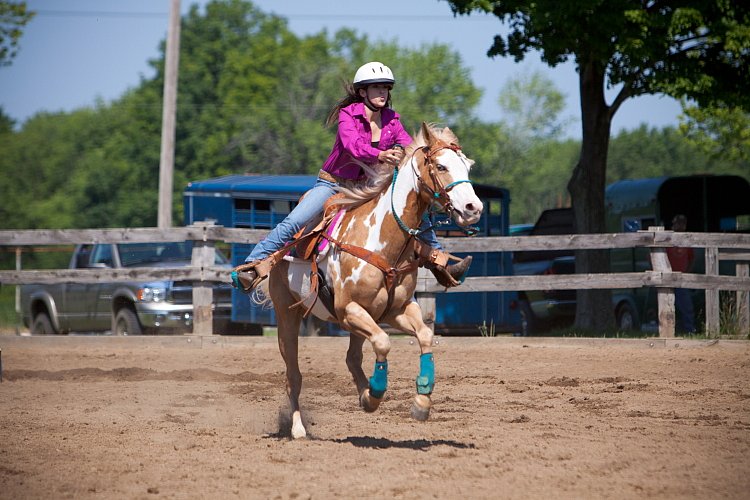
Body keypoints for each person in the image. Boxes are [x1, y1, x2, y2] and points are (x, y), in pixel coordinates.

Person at [233, 61, 472, 292]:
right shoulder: (348, 115)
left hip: (368, 186)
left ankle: (442, 263)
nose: (383, 92)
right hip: (333, 184)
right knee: (296, 221)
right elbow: (352, 146)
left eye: (386, 87)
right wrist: (380, 155)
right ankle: (251, 266)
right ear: (362, 91)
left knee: (417, 205)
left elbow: (410, 149)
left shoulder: (392, 119)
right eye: (377, 87)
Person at [666, 214, 696, 334]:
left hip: (681, 279)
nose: (680, 226)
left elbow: (692, 258)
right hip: (667, 278)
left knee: (686, 306)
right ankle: (668, 331)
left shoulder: (686, 240)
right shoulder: (667, 239)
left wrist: (687, 272)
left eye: (682, 223)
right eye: (677, 223)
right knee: (667, 306)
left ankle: (689, 330)